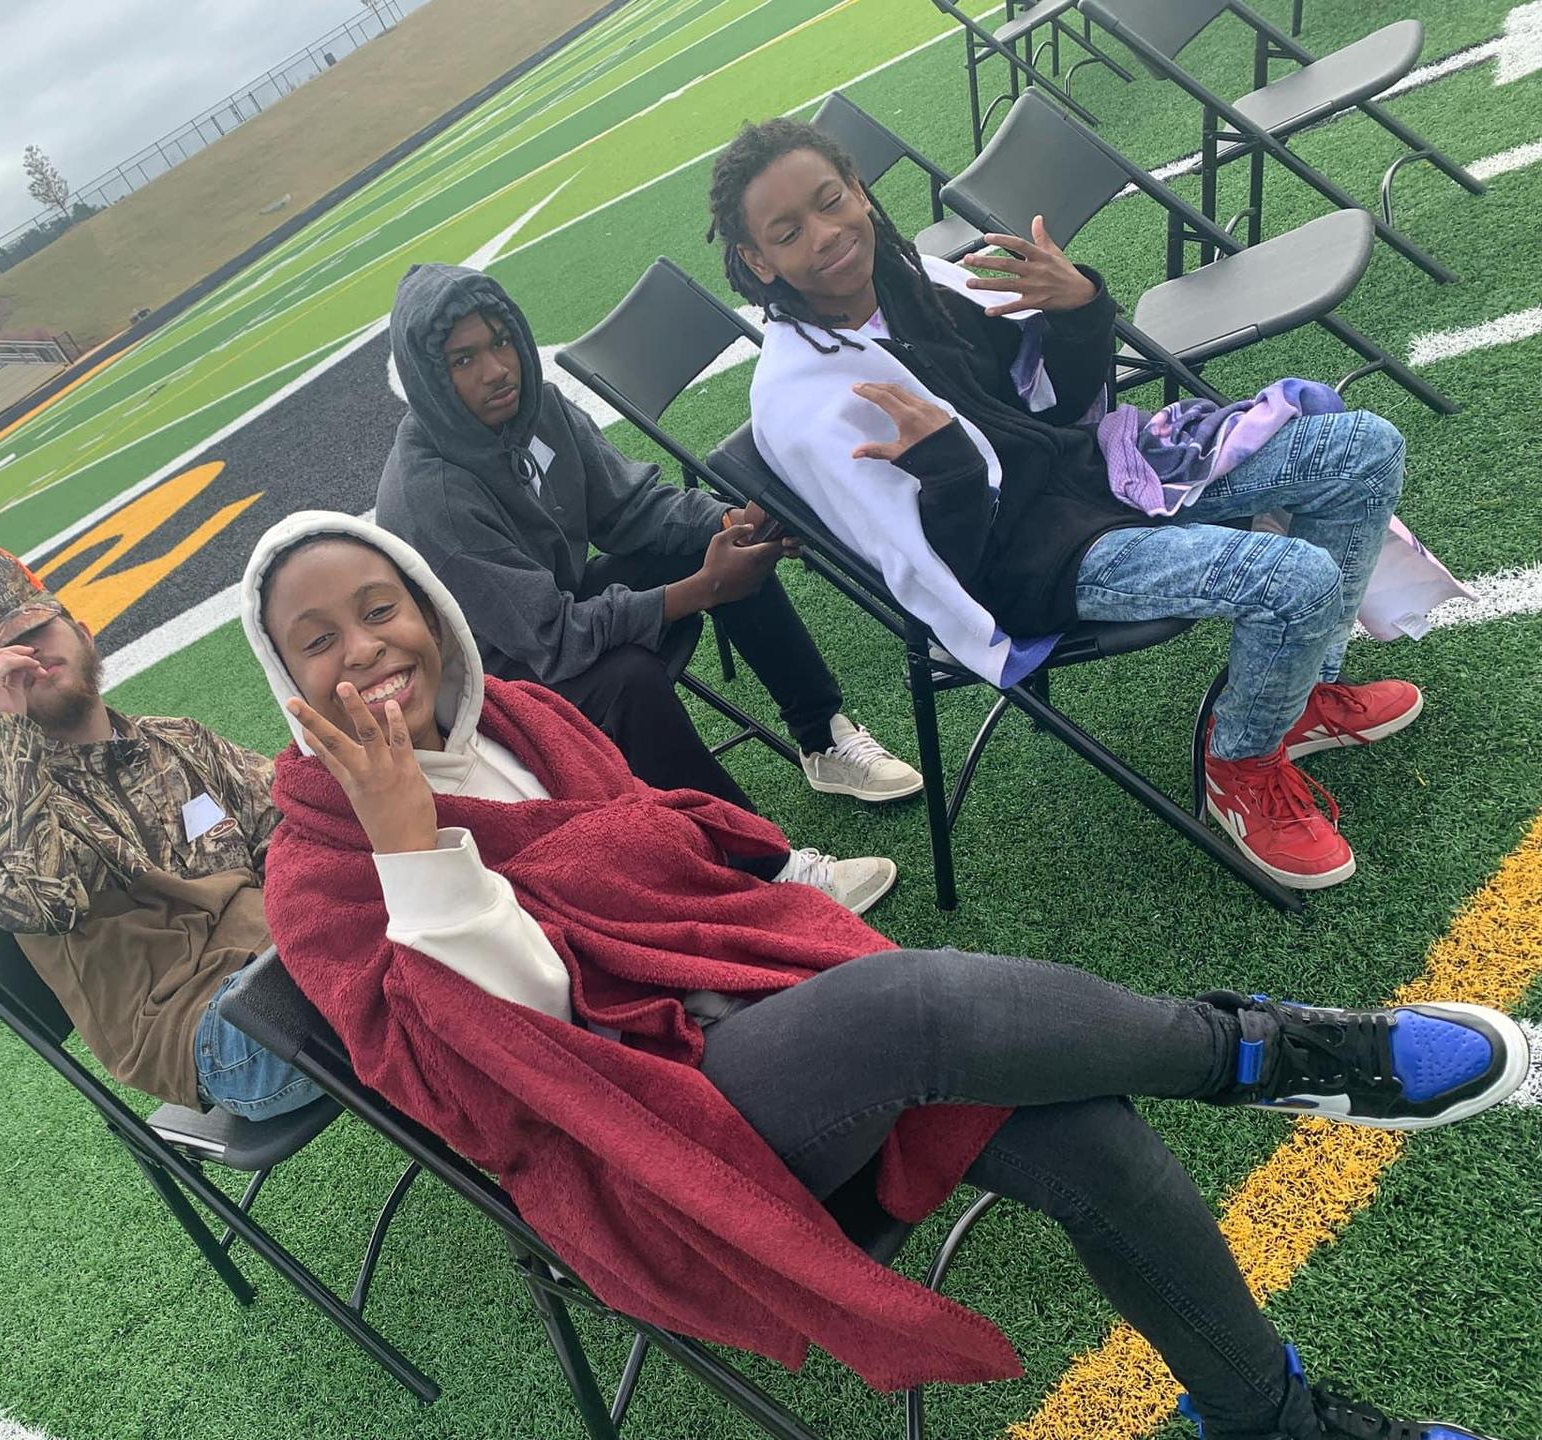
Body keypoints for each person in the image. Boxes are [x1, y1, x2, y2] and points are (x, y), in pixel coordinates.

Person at [241, 511, 1525, 1440]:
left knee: (1092, 1140)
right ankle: (1274, 1052)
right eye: (315, 641)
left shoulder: (523, 718)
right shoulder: (320, 872)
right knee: (910, 1001)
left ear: (427, 608)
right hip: (642, 1134)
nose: (364, 649)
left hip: (757, 1013)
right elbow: (493, 1085)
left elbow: (677, 863)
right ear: (284, 685)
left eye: (379, 606)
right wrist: (415, 850)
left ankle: (1268, 1418)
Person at [706, 118, 1471, 892]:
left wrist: (1078, 312)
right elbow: (940, 571)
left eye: (831, 200)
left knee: (1363, 447)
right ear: (756, 260)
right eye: (788, 231)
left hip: (1094, 476)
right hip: (1028, 564)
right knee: (1292, 579)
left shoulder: (921, 280)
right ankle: (1240, 763)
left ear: (861, 192)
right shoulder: (801, 398)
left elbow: (1062, 410)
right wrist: (951, 469)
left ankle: (1298, 697)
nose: (826, 234)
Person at [375, 261, 926, 814]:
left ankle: (822, 737)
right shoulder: (434, 496)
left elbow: (630, 509)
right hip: (498, 683)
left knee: (720, 545)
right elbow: (551, 639)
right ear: (430, 378)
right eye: (463, 360)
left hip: (553, 617)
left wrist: (731, 523)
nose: (497, 370)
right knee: (629, 682)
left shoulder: (535, 406)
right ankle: (753, 861)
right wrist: (703, 589)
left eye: (500, 342)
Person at [0, 542, 319, 1121]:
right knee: (393, 969)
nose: (28, 654)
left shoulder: (177, 740)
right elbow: (41, 902)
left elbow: (294, 825)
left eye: (36, 629)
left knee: (424, 904)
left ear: (83, 633)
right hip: (210, 1027)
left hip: (292, 950)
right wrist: (6, 735)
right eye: (2, 656)